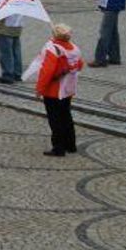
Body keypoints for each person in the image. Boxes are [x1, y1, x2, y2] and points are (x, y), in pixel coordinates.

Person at [36, 24, 84, 155]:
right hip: (68, 88)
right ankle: (71, 144)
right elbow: (80, 65)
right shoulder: (74, 48)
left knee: (55, 119)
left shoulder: (52, 49)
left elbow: (47, 71)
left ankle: (58, 147)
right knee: (66, 116)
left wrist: (39, 89)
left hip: (54, 89)